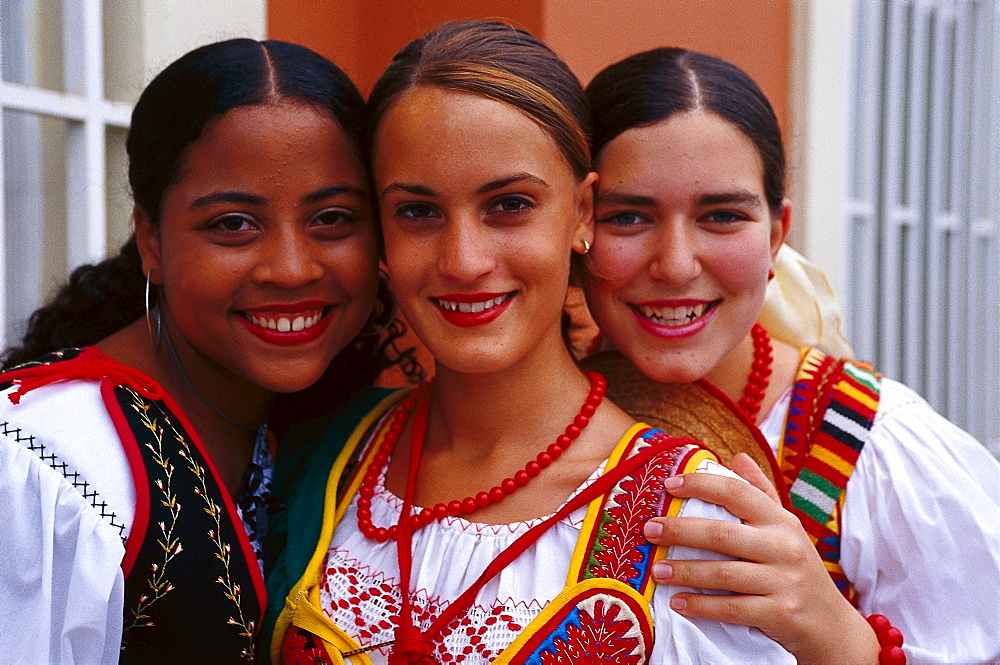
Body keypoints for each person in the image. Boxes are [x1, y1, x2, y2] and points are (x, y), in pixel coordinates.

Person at [269, 21, 795, 664]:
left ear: (581, 212)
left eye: (509, 204)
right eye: (418, 211)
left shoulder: (688, 519)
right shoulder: (325, 460)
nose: (463, 261)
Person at [581, 46, 1000, 663]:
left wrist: (840, 636)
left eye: (722, 215)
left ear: (777, 234)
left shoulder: (874, 448)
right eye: (628, 217)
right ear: (576, 229)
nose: (674, 264)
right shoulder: (510, 426)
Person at [0, 38, 401, 662]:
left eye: (332, 218)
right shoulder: (47, 464)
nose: (291, 268)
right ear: (152, 242)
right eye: (233, 224)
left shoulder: (337, 437)